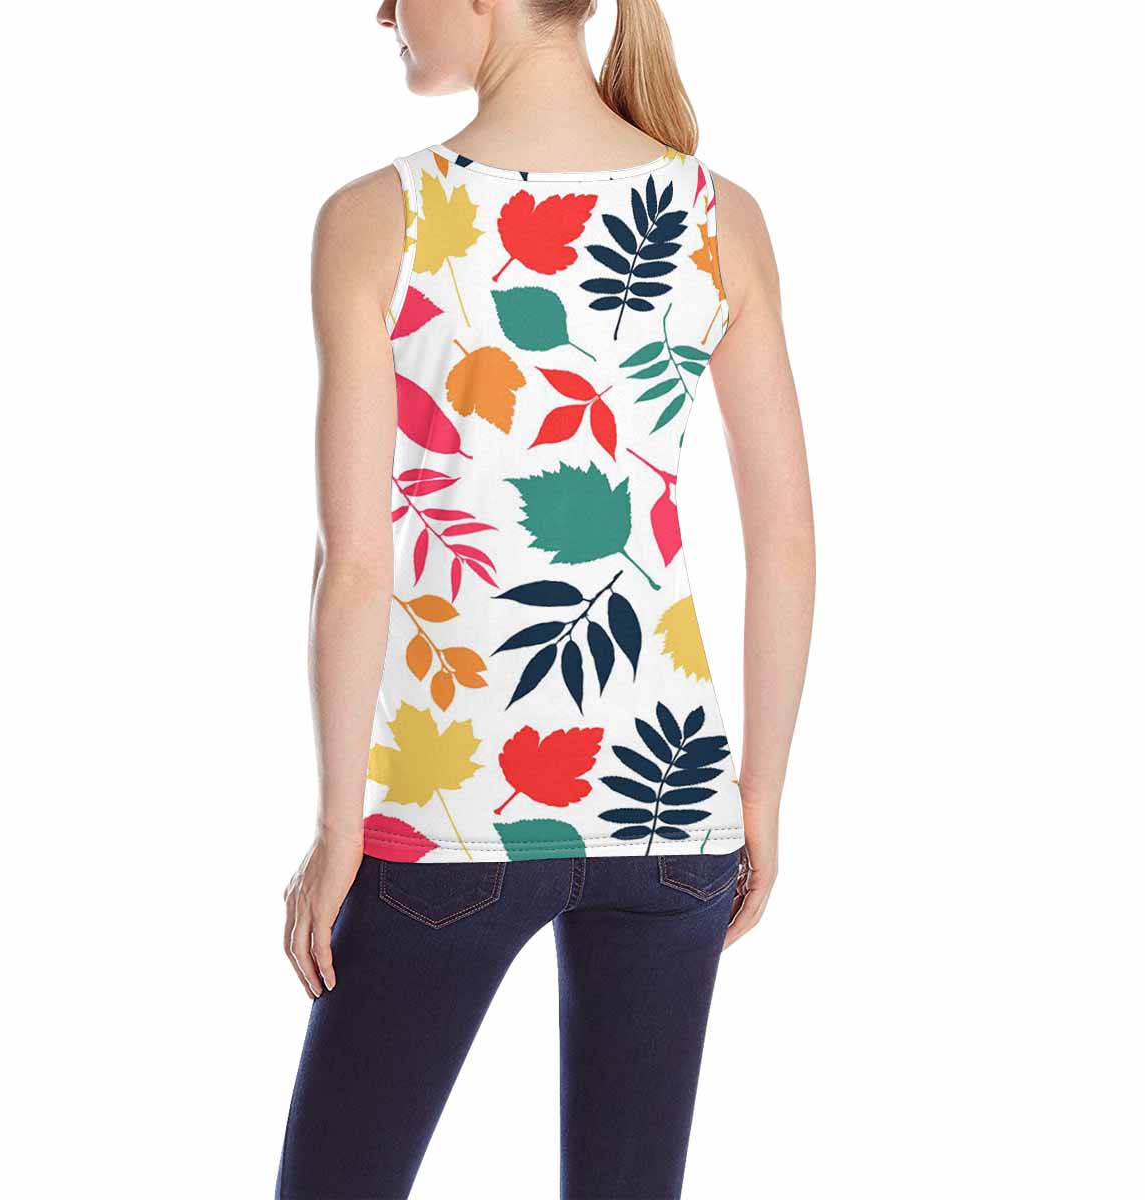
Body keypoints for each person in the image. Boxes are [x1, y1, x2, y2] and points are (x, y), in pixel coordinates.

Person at [276, 1, 814, 1195]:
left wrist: (337, 830)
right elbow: (784, 542)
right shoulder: (717, 215)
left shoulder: (378, 220)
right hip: (672, 807)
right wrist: (760, 798)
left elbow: (355, 561)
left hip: (447, 806)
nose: (382, 11)